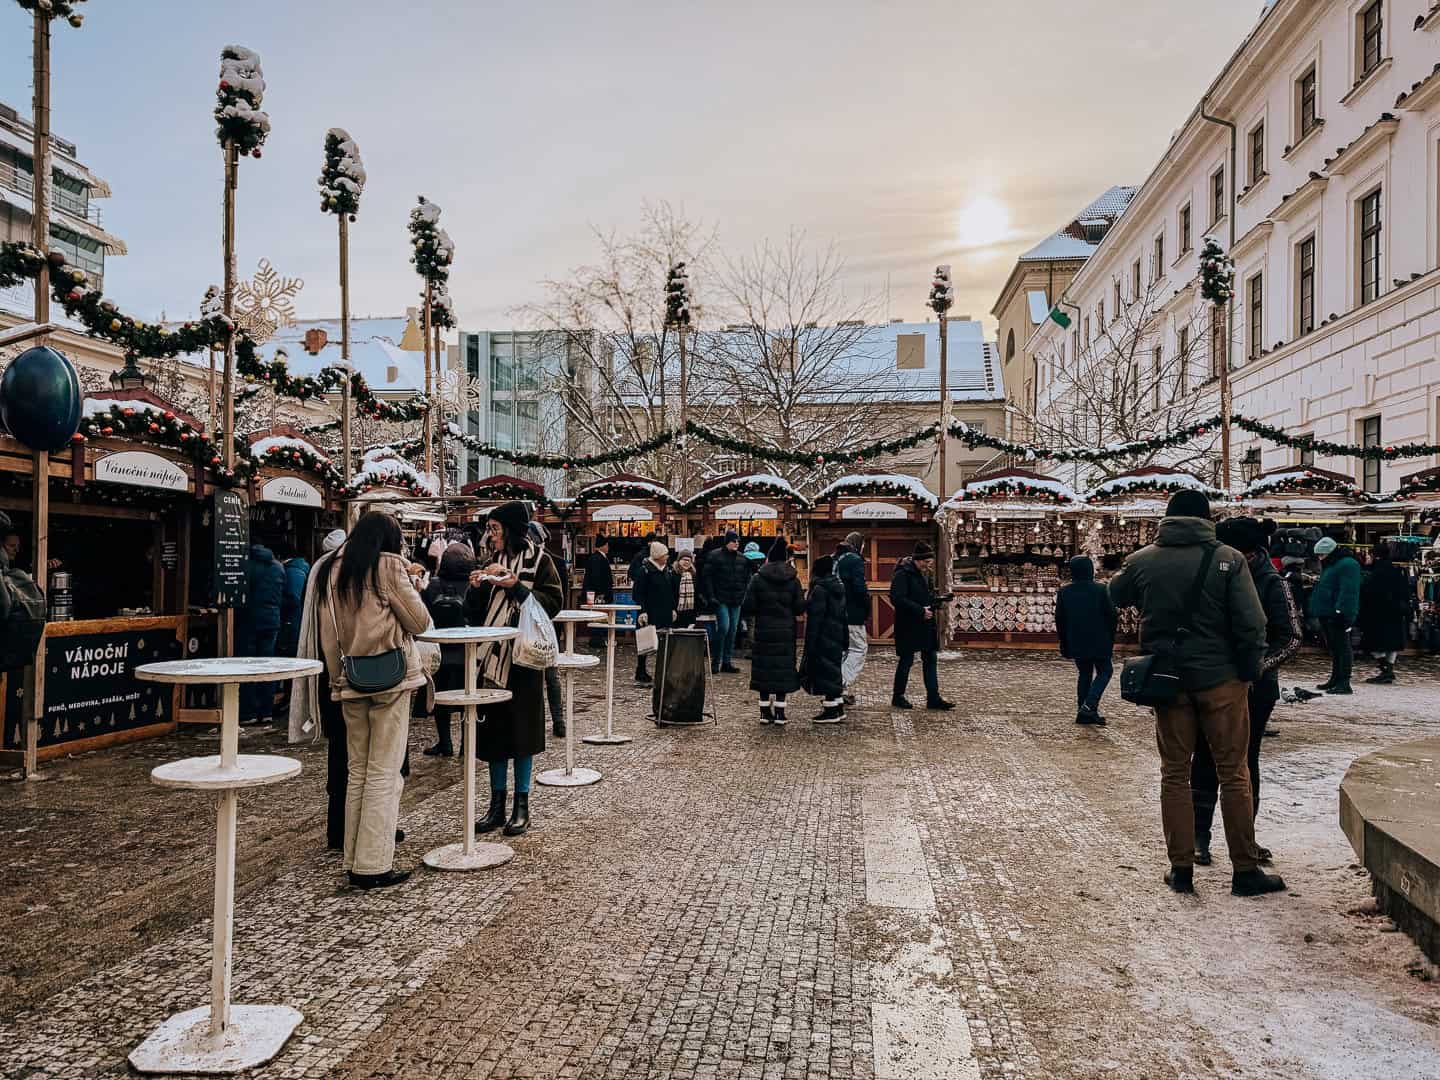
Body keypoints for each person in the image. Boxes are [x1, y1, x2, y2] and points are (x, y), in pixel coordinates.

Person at [1108, 489, 1284, 898]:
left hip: (1169, 683)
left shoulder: (1142, 560)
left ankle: (1181, 868)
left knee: (1175, 773)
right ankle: (1244, 870)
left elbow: (1116, 595)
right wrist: (1247, 669)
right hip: (1222, 681)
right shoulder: (1230, 559)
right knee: (1234, 773)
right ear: (1207, 519)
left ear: (1167, 520)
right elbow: (1252, 623)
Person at [317, 512, 430, 889]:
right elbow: (419, 622)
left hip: (351, 680)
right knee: (384, 772)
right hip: (391, 680)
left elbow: (328, 636)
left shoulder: (332, 572)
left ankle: (353, 856)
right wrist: (414, 586)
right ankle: (373, 865)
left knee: (358, 772)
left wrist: (339, 679)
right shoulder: (388, 568)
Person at [1191, 516, 1302, 868]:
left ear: (1250, 553)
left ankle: (1244, 840)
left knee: (1243, 760)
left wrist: (1255, 668)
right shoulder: (1216, 575)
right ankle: (1200, 836)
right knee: (1205, 755)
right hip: (1212, 681)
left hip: (1254, 689)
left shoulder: (1271, 583)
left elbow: (1291, 636)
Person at [465, 501, 564, 838]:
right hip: (491, 659)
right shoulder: (492, 561)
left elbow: (553, 604)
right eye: (489, 529)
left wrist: (516, 587)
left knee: (522, 735)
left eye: (494, 529)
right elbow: (475, 614)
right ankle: (496, 805)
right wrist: (477, 588)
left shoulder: (541, 561)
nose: (490, 535)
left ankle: (522, 807)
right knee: (494, 736)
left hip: (523, 661)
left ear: (510, 529)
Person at [288, 529, 346, 848]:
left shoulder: (317, 572)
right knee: (353, 755)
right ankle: (346, 828)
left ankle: (336, 829)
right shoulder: (340, 573)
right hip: (344, 674)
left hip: (325, 671)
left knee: (339, 752)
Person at [742, 538, 806, 725]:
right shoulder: (793, 580)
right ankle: (780, 712)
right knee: (782, 670)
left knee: (765, 669)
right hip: (785, 631)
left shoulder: (757, 578)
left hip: (764, 630)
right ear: (786, 558)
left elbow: (748, 606)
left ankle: (763, 712)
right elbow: (799, 607)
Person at [420, 542, 475, 757]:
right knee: (466, 699)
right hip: (466, 652)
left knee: (440, 700)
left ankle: (445, 743)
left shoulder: (432, 585)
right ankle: (466, 745)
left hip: (439, 652)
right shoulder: (471, 585)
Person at [890, 542, 954, 711]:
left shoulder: (925, 573)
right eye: (926, 562)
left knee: (930, 659)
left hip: (925, 624)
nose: (928, 565)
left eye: (930, 562)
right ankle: (898, 696)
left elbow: (927, 595)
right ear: (917, 560)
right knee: (906, 660)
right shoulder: (902, 574)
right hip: (908, 624)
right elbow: (897, 598)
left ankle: (933, 698)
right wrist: (920, 610)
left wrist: (939, 601)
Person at [1055, 555, 1117, 726]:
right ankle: (1089, 706)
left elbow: (1060, 619)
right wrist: (1112, 637)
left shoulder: (1065, 592)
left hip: (1077, 639)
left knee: (1085, 673)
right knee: (1105, 671)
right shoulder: (1102, 589)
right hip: (1100, 639)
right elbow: (1112, 616)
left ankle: (1083, 711)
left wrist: (1064, 641)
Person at [237, 541, 285, 726]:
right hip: (272, 620)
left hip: (249, 621)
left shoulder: (247, 566)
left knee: (247, 666)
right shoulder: (278, 568)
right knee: (267, 666)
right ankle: (266, 711)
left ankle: (248, 712)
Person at [1308, 536, 1361, 694]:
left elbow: (1348, 591)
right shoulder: (1335, 564)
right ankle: (1336, 679)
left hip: (1337, 613)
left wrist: (1342, 612)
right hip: (1328, 612)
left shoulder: (1347, 565)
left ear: (1329, 553)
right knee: (1335, 647)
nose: (1319, 558)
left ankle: (1344, 682)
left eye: (1321, 555)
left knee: (1342, 648)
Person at [801, 554, 848, 723]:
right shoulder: (838, 587)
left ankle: (830, 711)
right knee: (834, 671)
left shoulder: (820, 589)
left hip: (822, 637)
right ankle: (838, 706)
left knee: (825, 673)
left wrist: (810, 644)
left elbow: (815, 619)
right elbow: (844, 615)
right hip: (836, 635)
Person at [530, 521, 566, 735]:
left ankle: (558, 720)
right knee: (548, 677)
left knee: (551, 676)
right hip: (540, 626)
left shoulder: (554, 563)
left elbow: (558, 600)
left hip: (546, 625)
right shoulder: (557, 562)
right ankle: (553, 721)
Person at [1359, 543, 1410, 685]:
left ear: (1376, 556)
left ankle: (1386, 671)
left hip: (1378, 614)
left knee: (1372, 644)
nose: (1367, 557)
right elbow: (1405, 592)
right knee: (1392, 644)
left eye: (1369, 555)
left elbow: (1368, 594)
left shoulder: (1375, 573)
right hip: (1396, 613)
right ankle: (1388, 671)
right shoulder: (1396, 571)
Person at [704, 532, 750, 674]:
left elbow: (746, 578)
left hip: (736, 599)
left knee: (732, 630)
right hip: (721, 598)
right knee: (724, 627)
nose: (736, 543)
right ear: (727, 542)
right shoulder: (715, 556)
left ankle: (726, 661)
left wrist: (744, 594)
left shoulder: (742, 558)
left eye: (738, 541)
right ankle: (716, 661)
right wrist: (711, 596)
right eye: (734, 541)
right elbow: (707, 577)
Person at [632, 540, 677, 684]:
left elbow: (671, 592)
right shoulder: (645, 570)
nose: (667, 556)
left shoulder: (667, 570)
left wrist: (672, 608)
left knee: (664, 641)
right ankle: (641, 670)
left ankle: (663, 670)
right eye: (665, 554)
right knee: (646, 642)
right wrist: (642, 611)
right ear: (658, 555)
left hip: (664, 610)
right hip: (650, 611)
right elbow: (638, 593)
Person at [835, 532, 870, 705]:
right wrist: (866, 606)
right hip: (852, 613)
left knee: (843, 651)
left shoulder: (836, 558)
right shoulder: (855, 560)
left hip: (837, 613)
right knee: (858, 649)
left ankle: (841, 691)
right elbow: (859, 588)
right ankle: (840, 683)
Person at [582, 534, 615, 649]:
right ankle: (597, 639)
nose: (608, 547)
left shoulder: (595, 557)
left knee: (597, 615)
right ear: (602, 546)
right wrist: (601, 592)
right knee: (599, 615)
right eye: (607, 545)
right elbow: (597, 577)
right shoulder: (598, 558)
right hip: (598, 594)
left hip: (595, 593)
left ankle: (597, 638)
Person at [674, 550, 699, 627]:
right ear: (678, 561)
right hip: (675, 612)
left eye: (689, 560)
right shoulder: (673, 574)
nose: (686, 562)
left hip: (689, 613)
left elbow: (696, 595)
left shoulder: (694, 575)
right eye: (684, 560)